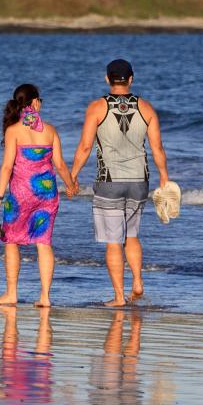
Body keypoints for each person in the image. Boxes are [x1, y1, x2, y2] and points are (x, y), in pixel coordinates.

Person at [70, 59, 169, 307]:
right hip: (139, 181)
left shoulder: (96, 107)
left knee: (114, 241)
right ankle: (137, 281)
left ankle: (118, 297)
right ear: (131, 79)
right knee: (132, 235)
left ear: (107, 79)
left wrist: (73, 175)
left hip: (109, 181)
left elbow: (85, 146)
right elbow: (157, 147)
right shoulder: (146, 108)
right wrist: (164, 176)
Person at [0, 83, 78, 307]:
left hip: (21, 195)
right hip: (47, 193)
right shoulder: (50, 130)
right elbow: (60, 165)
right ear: (35, 102)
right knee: (43, 241)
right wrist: (71, 186)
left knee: (11, 240)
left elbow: (6, 167)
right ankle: (45, 297)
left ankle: (11, 293)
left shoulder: (13, 130)